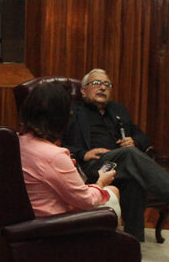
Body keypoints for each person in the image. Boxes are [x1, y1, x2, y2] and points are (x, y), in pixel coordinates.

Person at [63, 68, 169, 241]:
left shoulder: (118, 110)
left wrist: (134, 141)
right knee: (129, 155)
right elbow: (56, 142)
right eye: (96, 83)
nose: (102, 87)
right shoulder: (72, 111)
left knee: (133, 181)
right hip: (93, 165)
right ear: (83, 90)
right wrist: (83, 154)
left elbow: (142, 136)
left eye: (107, 84)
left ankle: (133, 244)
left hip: (123, 165)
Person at [18, 80, 121, 220]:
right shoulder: (54, 156)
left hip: (27, 218)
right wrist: (101, 183)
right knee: (112, 191)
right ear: (61, 117)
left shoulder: (14, 142)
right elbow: (87, 201)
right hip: (55, 224)